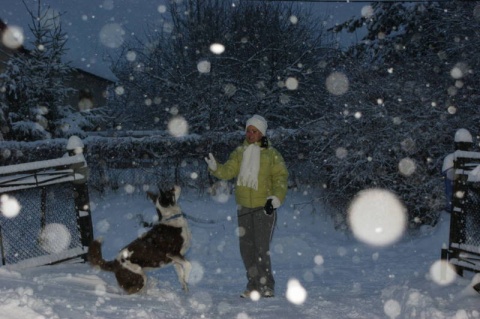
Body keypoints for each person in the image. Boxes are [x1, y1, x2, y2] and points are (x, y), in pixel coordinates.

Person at [205, 114, 288, 298]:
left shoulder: (272, 154)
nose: (250, 134)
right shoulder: (239, 152)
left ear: (262, 133)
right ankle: (253, 285)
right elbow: (228, 171)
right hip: (243, 207)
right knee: (246, 248)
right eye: (248, 130)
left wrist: (275, 199)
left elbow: (281, 178)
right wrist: (215, 167)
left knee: (261, 248)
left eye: (254, 131)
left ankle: (266, 285)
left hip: (264, 208)